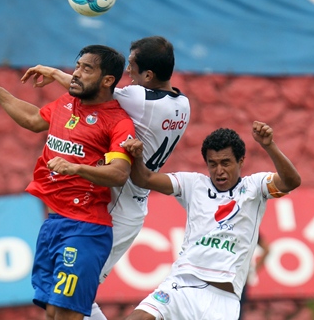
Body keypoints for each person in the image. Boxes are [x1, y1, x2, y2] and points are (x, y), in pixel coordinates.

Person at [20, 36, 190, 320]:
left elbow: (95, 89)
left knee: (74, 295)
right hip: (133, 201)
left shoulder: (139, 99)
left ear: (148, 75)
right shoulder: (182, 103)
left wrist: (52, 73)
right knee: (72, 295)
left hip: (115, 205)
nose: (129, 75)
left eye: (132, 68)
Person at [0, 45, 136, 320]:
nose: (76, 73)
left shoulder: (117, 121)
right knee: (51, 312)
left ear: (108, 80)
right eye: (77, 66)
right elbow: (32, 119)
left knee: (66, 314)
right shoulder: (66, 103)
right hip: (53, 224)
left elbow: (119, 173)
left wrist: (75, 167)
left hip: (86, 228)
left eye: (87, 69)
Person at [121, 122, 301, 320]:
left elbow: (292, 182)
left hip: (223, 300)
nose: (219, 170)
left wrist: (269, 146)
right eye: (212, 163)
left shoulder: (255, 187)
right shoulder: (193, 184)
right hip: (181, 285)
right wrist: (137, 158)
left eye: (226, 162)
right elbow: (144, 179)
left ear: (241, 161)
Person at [240, 234, 269, 319]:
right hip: (240, 277)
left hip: (238, 278)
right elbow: (267, 249)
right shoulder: (248, 225)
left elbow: (267, 249)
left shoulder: (248, 226)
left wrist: (253, 270)